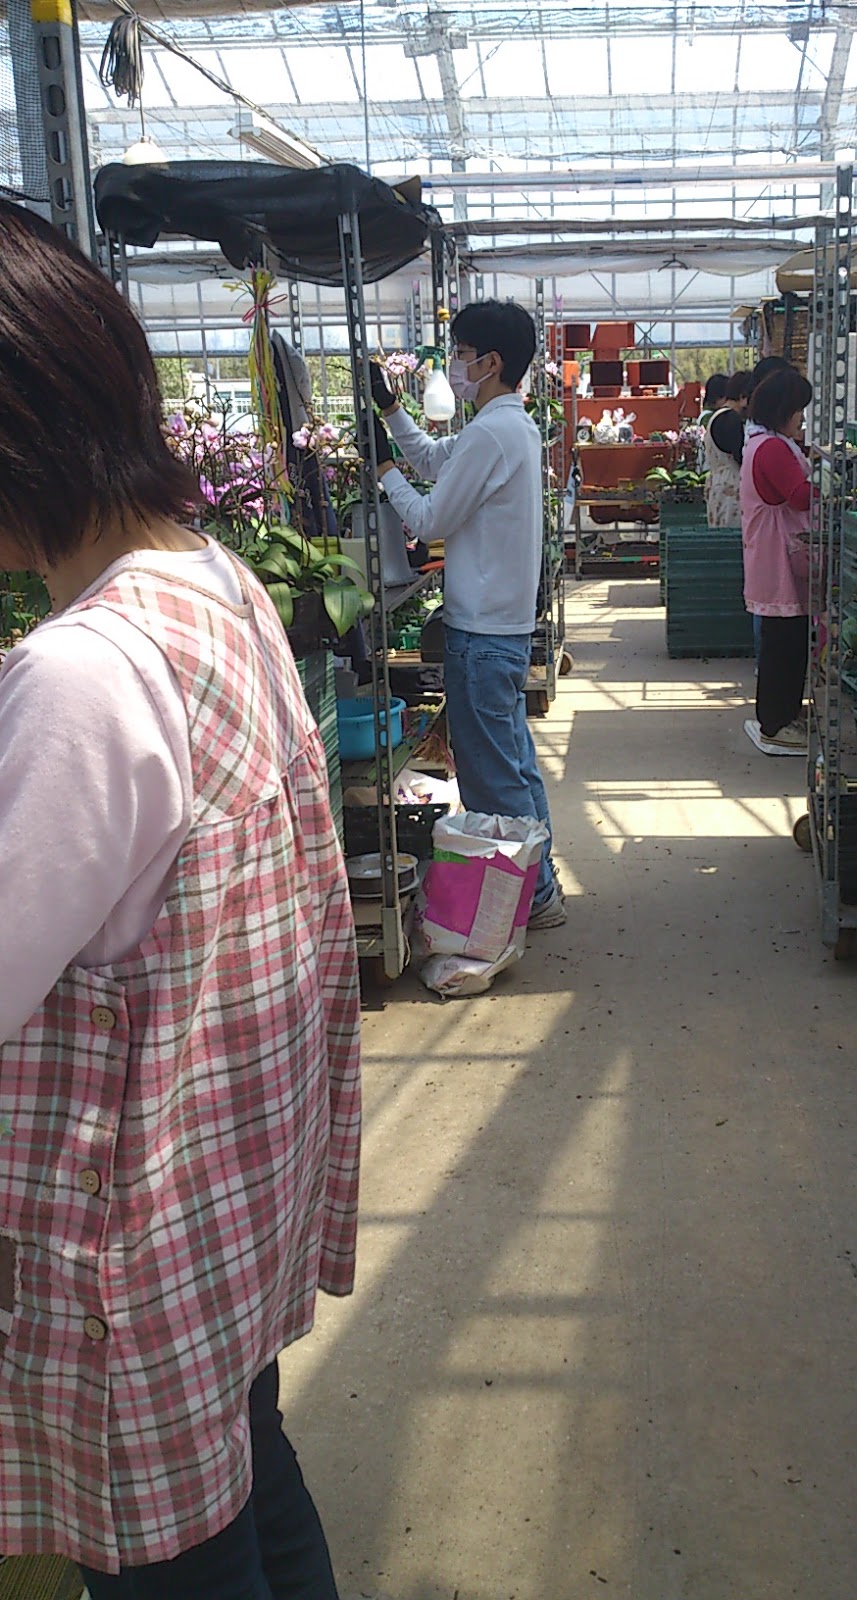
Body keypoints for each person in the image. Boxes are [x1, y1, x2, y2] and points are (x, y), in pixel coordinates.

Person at [0, 200, 361, 1597]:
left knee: (175, 1560)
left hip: (129, 1266)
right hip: (222, 1217)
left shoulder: (81, 678)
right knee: (254, 1477)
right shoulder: (214, 582)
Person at [370, 300, 565, 928]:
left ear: (491, 362)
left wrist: (383, 471)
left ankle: (531, 896)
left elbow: (429, 521)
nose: (454, 364)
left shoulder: (490, 433)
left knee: (490, 780)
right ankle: (542, 883)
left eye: (460, 353)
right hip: (501, 630)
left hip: (481, 635)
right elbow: (434, 460)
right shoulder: (511, 426)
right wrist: (391, 410)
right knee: (515, 769)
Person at [740, 366, 817, 751]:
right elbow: (800, 496)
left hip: (773, 554)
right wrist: (829, 484)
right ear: (783, 410)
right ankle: (776, 721)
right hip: (778, 556)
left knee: (786, 642)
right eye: (798, 410)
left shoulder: (762, 443)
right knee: (783, 645)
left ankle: (785, 712)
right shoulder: (771, 448)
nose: (802, 418)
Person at [704, 369, 756, 526]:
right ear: (743, 397)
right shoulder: (730, 419)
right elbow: (740, 456)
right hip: (731, 489)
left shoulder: (717, 416)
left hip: (718, 485)